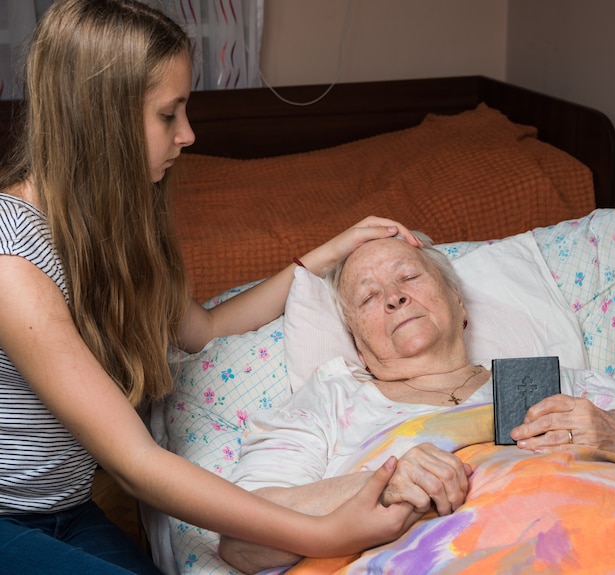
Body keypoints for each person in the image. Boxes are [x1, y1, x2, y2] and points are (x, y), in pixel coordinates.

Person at [0, 1, 425, 573]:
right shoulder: (12, 258)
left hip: (66, 507)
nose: (189, 134)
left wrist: (324, 256)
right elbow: (134, 463)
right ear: (103, 122)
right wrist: (322, 531)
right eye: (169, 115)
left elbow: (205, 328)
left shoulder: (117, 229)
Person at [220, 232, 615, 574]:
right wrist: (379, 485)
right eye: (368, 298)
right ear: (359, 344)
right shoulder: (331, 400)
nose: (394, 298)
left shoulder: (568, 383)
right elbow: (241, 542)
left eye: (409, 277)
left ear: (458, 301)